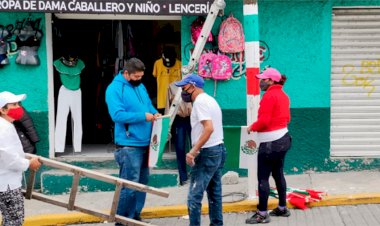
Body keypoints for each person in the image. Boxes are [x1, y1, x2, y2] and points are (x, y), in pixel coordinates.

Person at [105, 57, 160, 224]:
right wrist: (143, 116)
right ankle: (122, 221)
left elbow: (148, 105)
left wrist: (155, 113)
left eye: (141, 76)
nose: (139, 79)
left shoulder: (140, 85)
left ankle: (135, 216)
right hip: (129, 146)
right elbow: (117, 115)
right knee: (129, 187)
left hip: (146, 143)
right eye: (136, 76)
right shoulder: (114, 89)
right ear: (126, 73)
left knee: (142, 184)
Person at [175, 73, 226, 226]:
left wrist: (193, 151)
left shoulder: (200, 103)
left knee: (194, 197)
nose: (183, 91)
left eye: (184, 88)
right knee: (214, 193)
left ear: (193, 86)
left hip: (207, 152)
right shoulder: (211, 100)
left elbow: (208, 128)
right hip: (218, 149)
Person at [245, 68, 292, 224]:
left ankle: (262, 213)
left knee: (263, 178)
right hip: (284, 139)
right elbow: (288, 118)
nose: (260, 82)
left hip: (270, 144)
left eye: (263, 79)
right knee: (278, 174)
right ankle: (282, 207)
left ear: (271, 81)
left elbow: (264, 121)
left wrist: (252, 127)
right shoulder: (284, 96)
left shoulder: (269, 96)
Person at [0, 91, 41, 225]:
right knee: (14, 221)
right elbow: (8, 157)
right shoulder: (3, 128)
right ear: (3, 110)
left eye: (19, 104)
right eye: (14, 104)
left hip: (7, 181)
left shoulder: (7, 125)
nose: (19, 108)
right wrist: (28, 163)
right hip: (7, 185)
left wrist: (27, 157)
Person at [165, 82, 192, 186]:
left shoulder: (192, 84)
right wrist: (168, 124)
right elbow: (169, 106)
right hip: (179, 119)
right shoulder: (172, 87)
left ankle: (196, 174)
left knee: (196, 146)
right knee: (180, 148)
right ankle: (183, 177)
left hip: (192, 117)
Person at [153, 46, 181, 114]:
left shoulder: (157, 63)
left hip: (165, 96)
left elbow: (154, 75)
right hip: (174, 96)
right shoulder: (179, 63)